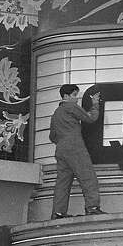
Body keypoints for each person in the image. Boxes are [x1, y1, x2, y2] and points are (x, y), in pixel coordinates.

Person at [50, 83, 104, 218]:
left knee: (63, 182)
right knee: (88, 177)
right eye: (74, 95)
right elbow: (90, 118)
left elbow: (52, 136)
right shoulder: (71, 106)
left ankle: (58, 212)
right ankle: (92, 207)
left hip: (61, 149)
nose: (76, 99)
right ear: (66, 96)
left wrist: (63, 141)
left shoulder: (56, 113)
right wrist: (95, 104)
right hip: (75, 147)